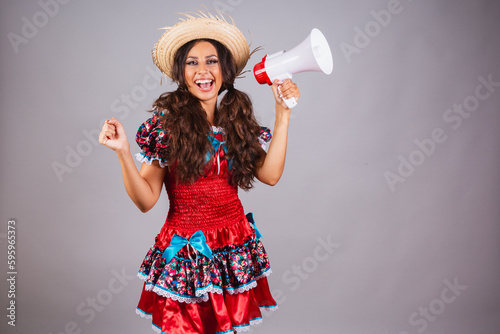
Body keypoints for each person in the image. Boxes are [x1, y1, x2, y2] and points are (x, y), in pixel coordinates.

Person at [99, 11, 300, 334]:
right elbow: (145, 200)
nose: (203, 71)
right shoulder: (165, 128)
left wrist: (283, 113)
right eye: (192, 63)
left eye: (211, 61)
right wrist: (123, 152)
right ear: (181, 72)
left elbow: (270, 175)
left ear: (225, 71)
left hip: (233, 243)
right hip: (187, 251)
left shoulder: (235, 123)